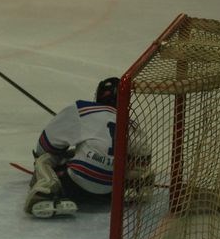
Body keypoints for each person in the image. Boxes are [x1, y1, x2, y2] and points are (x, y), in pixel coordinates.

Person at [24, 78, 152, 218]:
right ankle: (135, 186)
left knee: (44, 160)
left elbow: (46, 145)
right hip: (111, 189)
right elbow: (144, 157)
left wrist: (62, 155)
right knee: (133, 166)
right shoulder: (130, 123)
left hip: (75, 184)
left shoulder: (83, 109)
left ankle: (44, 190)